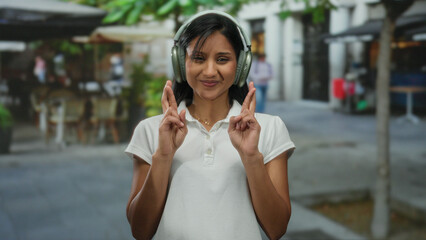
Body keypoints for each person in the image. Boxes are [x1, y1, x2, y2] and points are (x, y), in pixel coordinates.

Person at [125, 10, 295, 240]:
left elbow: (277, 228)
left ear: (241, 65)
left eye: (222, 59)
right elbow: (140, 230)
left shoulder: (270, 128)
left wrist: (251, 157)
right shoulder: (150, 130)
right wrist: (164, 156)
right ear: (180, 63)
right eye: (198, 58)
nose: (210, 71)